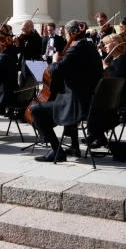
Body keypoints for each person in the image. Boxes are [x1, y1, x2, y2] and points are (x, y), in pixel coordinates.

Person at [30, 20, 103, 162]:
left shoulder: (76, 49)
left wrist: (56, 60)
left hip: (78, 104)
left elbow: (55, 70)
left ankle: (57, 150)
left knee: (35, 109)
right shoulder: (91, 47)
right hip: (91, 100)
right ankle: (74, 146)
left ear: (71, 34)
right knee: (60, 98)